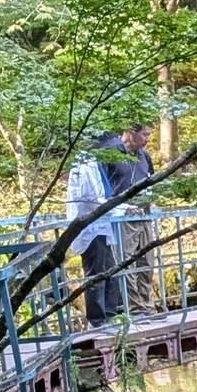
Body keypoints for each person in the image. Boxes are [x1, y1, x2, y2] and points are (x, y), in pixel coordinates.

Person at [64, 131, 129, 324]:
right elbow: (93, 199)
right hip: (90, 226)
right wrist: (124, 208)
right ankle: (97, 321)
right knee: (96, 276)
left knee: (110, 273)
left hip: (100, 226)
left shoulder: (94, 163)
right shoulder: (86, 164)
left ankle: (109, 316)